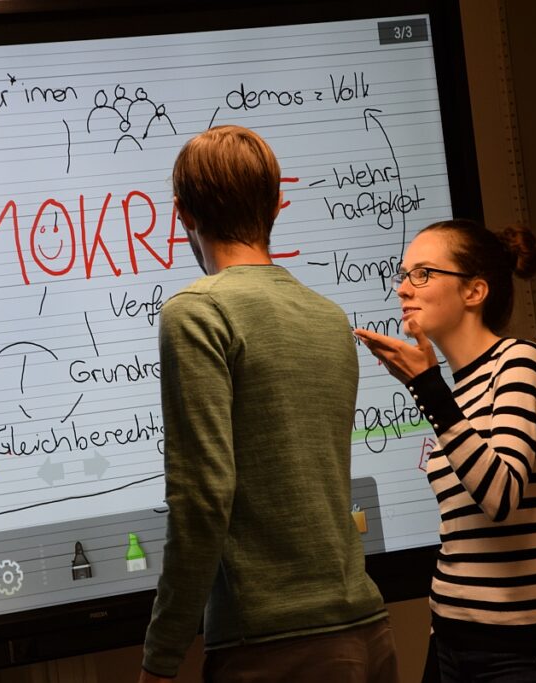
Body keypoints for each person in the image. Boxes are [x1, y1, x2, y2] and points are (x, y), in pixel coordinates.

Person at [139, 126, 398, 683]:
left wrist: (160, 660)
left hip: (274, 648)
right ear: (277, 203)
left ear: (183, 213)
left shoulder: (197, 312)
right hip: (367, 633)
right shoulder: (328, 315)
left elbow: (203, 499)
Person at [354, 219, 536, 682]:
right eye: (403, 274)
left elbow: (500, 495)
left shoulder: (521, 362)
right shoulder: (457, 391)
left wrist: (426, 386)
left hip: (522, 652)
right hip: (451, 638)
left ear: (474, 291)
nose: (403, 289)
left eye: (422, 274)